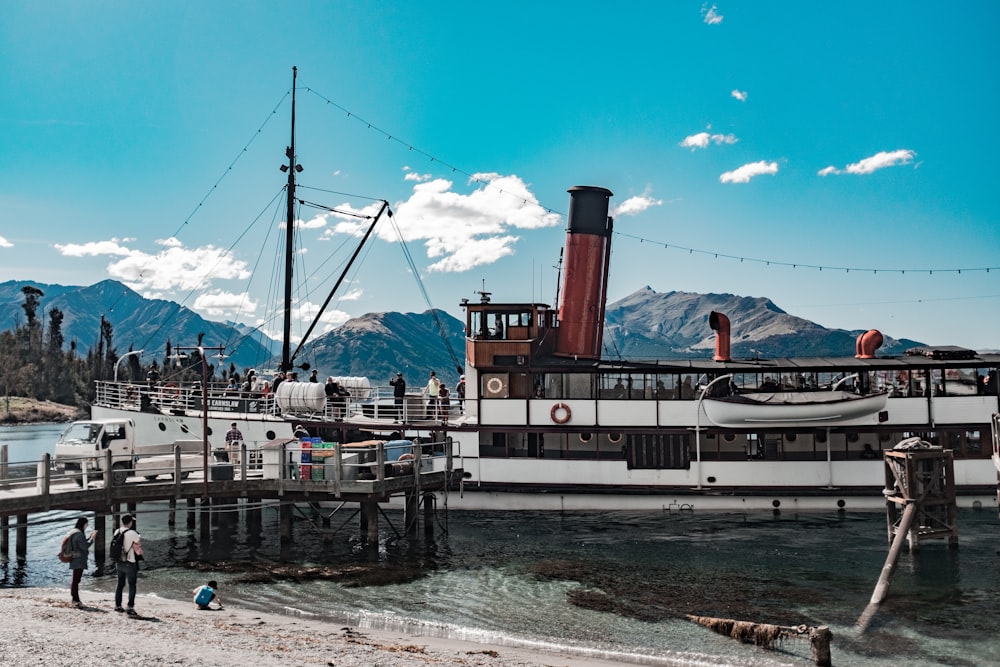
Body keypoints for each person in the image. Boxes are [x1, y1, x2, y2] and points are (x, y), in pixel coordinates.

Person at [114, 514, 142, 616]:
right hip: (130, 562)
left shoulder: (117, 531)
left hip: (119, 562)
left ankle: (117, 605)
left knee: (120, 584)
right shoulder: (133, 533)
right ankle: (130, 607)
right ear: (130, 522)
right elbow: (138, 547)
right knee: (132, 585)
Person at [66, 516, 96, 607]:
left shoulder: (74, 531)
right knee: (76, 579)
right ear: (83, 524)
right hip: (78, 559)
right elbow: (84, 547)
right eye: (87, 524)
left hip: (74, 557)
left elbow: (81, 543)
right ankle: (75, 599)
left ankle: (75, 598)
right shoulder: (79, 534)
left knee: (75, 579)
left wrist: (89, 537)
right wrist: (93, 539)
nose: (87, 526)